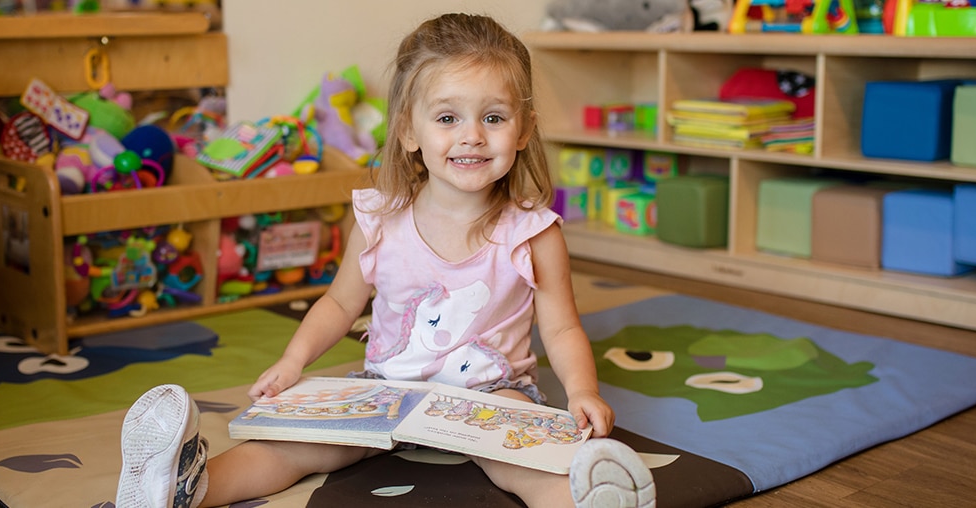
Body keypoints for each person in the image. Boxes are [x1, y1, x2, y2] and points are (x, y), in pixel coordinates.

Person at [114, 13, 655, 508]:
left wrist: (583, 391)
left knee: (524, 458)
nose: (471, 135)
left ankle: (584, 500)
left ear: (525, 129)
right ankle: (184, 488)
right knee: (293, 447)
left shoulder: (532, 233)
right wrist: (293, 361)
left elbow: (561, 329)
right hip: (385, 387)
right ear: (408, 131)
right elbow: (339, 301)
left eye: (493, 117)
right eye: (447, 117)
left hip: (491, 392)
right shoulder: (380, 219)